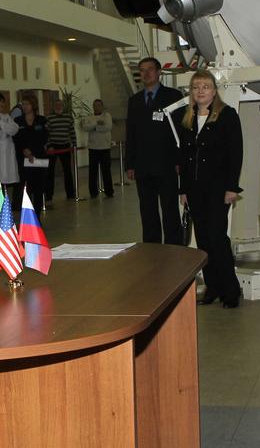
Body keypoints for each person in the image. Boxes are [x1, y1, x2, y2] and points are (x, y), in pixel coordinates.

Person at [177, 71, 242, 308]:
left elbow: (236, 154)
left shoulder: (227, 116)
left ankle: (231, 290)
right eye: (196, 87)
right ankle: (212, 287)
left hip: (218, 189)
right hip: (194, 190)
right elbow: (184, 158)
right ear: (191, 92)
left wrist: (232, 187)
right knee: (203, 240)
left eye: (205, 86)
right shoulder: (187, 119)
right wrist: (183, 189)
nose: (200, 91)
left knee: (217, 238)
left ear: (214, 90)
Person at [124, 57, 183, 244]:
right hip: (143, 167)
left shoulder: (173, 96)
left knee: (170, 211)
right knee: (147, 212)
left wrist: (179, 161)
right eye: (142, 70)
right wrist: (130, 164)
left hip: (167, 165)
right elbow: (130, 133)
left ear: (159, 72)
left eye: (150, 69)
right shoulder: (134, 101)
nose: (146, 73)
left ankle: (174, 248)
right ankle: (151, 250)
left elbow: (181, 131)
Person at [13, 98, 49, 215]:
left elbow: (44, 138)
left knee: (39, 187)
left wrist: (32, 151)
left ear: (33, 105)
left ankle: (37, 214)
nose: (25, 106)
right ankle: (27, 215)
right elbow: (16, 139)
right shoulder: (17, 121)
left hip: (39, 157)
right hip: (24, 158)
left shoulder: (41, 120)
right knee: (26, 187)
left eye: (27, 103)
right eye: (23, 104)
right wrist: (24, 150)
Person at [44, 96, 77, 204]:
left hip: (65, 145)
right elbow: (46, 134)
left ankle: (70, 194)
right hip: (53, 146)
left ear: (62, 106)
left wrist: (74, 144)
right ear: (53, 107)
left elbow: (72, 131)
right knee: (50, 172)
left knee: (67, 171)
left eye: (60, 105)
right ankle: (48, 196)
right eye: (56, 105)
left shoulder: (68, 117)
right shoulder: (49, 118)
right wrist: (49, 145)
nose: (58, 106)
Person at [80, 98, 114, 198]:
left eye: (99, 105)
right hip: (93, 148)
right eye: (95, 105)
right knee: (93, 172)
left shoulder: (107, 116)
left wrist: (94, 128)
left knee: (106, 171)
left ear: (102, 106)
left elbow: (107, 127)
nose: (97, 107)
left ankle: (109, 192)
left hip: (105, 148)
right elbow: (85, 127)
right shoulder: (89, 117)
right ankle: (93, 193)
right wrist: (97, 124)